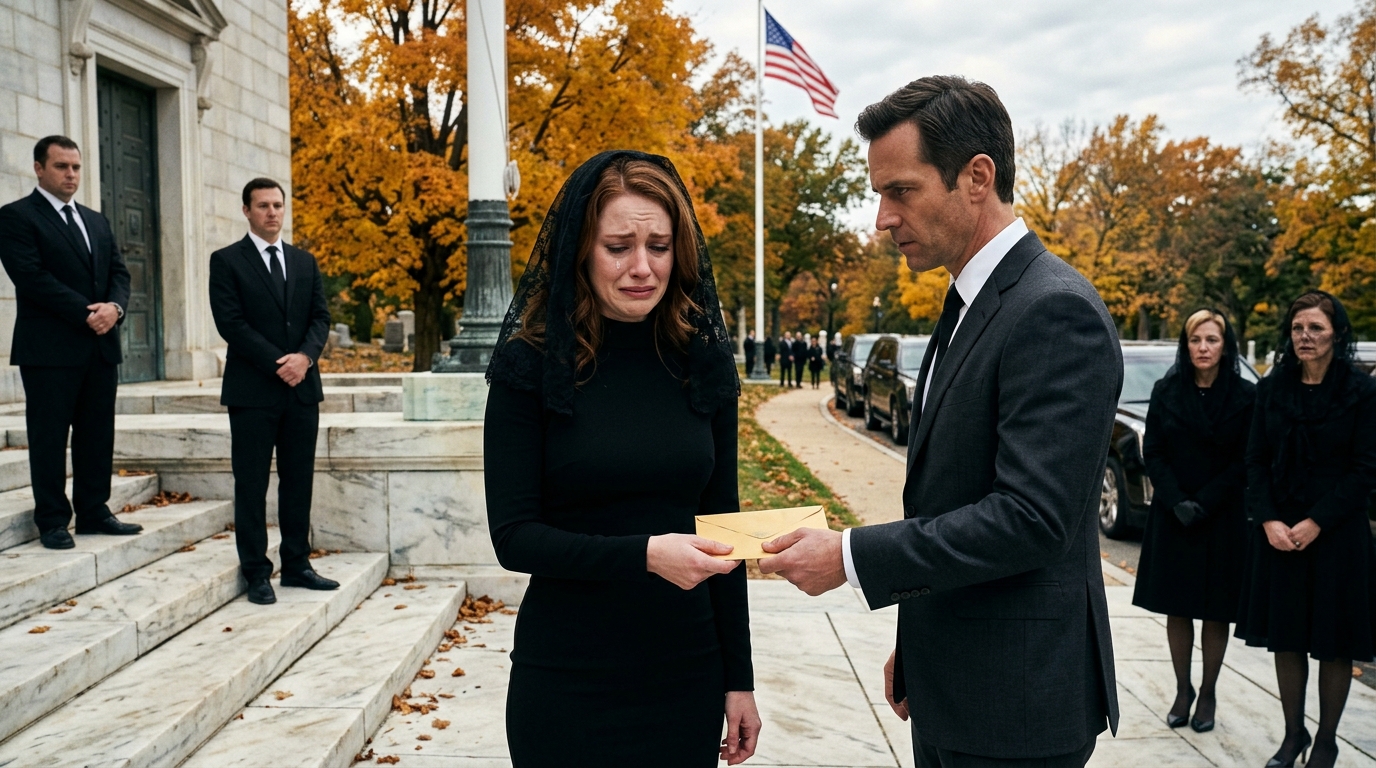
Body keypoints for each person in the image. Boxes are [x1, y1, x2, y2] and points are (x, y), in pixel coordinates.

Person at [757, 76, 1120, 767]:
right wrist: (923, 636)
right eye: (879, 195)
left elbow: (1029, 520)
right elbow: (955, 496)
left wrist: (849, 557)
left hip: (1015, 709)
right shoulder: (971, 301)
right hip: (961, 677)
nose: (883, 219)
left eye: (901, 191)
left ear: (976, 177)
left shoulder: (1052, 310)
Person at [484, 151, 761, 768]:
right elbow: (514, 538)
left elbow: (725, 524)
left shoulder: (703, 362)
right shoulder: (528, 367)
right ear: (581, 250)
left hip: (684, 672)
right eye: (618, 246)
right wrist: (645, 555)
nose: (642, 267)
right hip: (567, 674)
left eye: (659, 246)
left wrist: (738, 678)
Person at [1235, 291, 1376, 768]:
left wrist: (1316, 523)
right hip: (1278, 535)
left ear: (1336, 332)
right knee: (1288, 637)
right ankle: (1293, 736)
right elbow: (1254, 460)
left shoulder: (1362, 392)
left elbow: (1365, 469)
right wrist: (1269, 519)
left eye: (1315, 328)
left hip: (1336, 536)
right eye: (1298, 328)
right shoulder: (1271, 389)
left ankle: (1328, 741)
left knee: (1334, 643)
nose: (1305, 337)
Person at [0, 135, 140, 549]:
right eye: (61, 166)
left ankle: (95, 511)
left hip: (99, 347)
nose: (71, 174)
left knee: (97, 433)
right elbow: (31, 277)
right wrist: (88, 313)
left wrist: (115, 308)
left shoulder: (96, 220)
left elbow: (120, 272)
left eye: (76, 167)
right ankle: (53, 520)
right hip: (49, 349)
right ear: (39, 168)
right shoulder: (16, 217)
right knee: (49, 436)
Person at [208, 178, 337, 606]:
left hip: (302, 390)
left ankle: (297, 565)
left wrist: (304, 358)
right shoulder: (226, 261)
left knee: (298, 482)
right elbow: (231, 323)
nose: (272, 213)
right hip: (253, 391)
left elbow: (320, 317)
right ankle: (256, 572)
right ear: (246, 210)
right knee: (251, 483)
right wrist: (279, 363)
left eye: (278, 205)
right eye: (263, 206)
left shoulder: (305, 261)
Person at [1131, 308, 1255, 734]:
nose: (1203, 347)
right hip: (1173, 515)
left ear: (1226, 346)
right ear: (1185, 345)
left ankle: (1208, 692)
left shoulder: (1244, 395)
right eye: (1195, 340)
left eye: (1212, 340)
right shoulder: (1167, 390)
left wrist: (1205, 501)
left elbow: (1246, 459)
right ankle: (1182, 689)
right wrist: (1177, 500)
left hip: (1220, 516)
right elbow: (1155, 452)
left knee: (1215, 611)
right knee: (1177, 607)